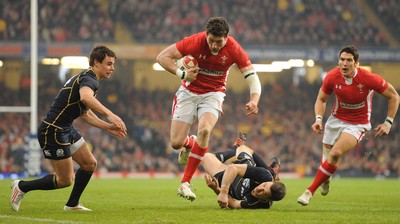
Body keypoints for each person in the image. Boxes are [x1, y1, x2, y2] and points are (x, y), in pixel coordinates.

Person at [10, 45, 127, 212]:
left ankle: (72, 204)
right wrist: (110, 115)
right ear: (96, 62)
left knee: (89, 164)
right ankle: (21, 186)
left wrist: (107, 127)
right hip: (53, 130)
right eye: (109, 64)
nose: (112, 68)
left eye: (113, 64)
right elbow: (86, 98)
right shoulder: (90, 80)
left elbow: (85, 114)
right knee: (65, 180)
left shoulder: (87, 78)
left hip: (65, 128)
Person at [156, 16, 261, 201]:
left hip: (213, 94)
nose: (213, 45)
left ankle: (185, 183)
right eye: (211, 40)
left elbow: (252, 78)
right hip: (187, 93)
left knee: (205, 130)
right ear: (206, 35)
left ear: (226, 38)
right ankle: (190, 143)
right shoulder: (195, 41)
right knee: (176, 144)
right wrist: (182, 73)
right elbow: (162, 57)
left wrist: (254, 100)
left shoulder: (234, 48)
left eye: (218, 42)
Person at [297, 46, 400, 206]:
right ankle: (326, 178)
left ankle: (309, 191)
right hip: (335, 120)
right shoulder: (332, 76)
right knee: (327, 158)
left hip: (358, 123)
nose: (344, 63)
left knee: (335, 154)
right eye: (342, 60)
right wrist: (318, 119)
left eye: (349, 60)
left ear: (356, 63)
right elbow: (321, 99)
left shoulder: (368, 78)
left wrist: (388, 123)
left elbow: (394, 96)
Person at [201, 133, 286, 209]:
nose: (259, 189)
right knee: (242, 147)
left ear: (267, 200)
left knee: (205, 157)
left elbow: (234, 205)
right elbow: (233, 168)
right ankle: (272, 172)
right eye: (264, 185)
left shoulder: (261, 204)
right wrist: (223, 192)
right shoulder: (265, 177)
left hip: (228, 182)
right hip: (239, 168)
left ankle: (234, 150)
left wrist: (216, 189)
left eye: (263, 193)